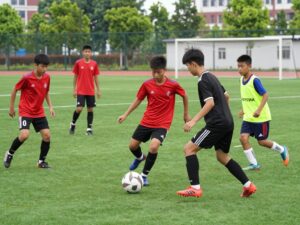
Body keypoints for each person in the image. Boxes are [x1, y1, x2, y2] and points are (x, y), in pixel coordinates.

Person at [176, 49, 256, 198]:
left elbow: (210, 103)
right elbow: (226, 96)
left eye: (187, 66)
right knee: (222, 156)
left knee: (188, 149)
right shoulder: (212, 76)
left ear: (193, 64)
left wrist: (193, 121)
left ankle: (195, 187)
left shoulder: (202, 81)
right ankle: (248, 185)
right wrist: (223, 113)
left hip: (217, 124)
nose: (188, 69)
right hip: (227, 122)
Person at [117, 56, 190, 186]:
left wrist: (186, 114)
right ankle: (140, 158)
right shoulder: (147, 84)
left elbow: (184, 95)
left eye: (159, 72)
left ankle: (144, 176)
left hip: (163, 123)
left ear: (164, 70)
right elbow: (138, 100)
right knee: (132, 146)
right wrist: (125, 114)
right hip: (147, 121)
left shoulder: (173, 85)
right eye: (153, 72)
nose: (156, 75)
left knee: (154, 146)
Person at [237, 55, 289, 171]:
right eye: (238, 66)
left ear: (249, 66)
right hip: (248, 117)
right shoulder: (241, 80)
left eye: (242, 66)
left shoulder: (255, 80)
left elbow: (265, 95)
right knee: (243, 138)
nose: (239, 69)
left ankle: (282, 149)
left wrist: (259, 110)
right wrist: (243, 109)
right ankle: (254, 164)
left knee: (262, 142)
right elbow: (247, 97)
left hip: (261, 118)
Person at [3, 54, 55, 169]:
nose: (45, 69)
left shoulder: (47, 77)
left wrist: (50, 106)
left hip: (39, 112)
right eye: (42, 66)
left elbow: (46, 92)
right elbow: (15, 89)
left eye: (46, 67)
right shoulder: (27, 77)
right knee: (24, 135)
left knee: (47, 136)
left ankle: (41, 162)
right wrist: (11, 107)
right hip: (26, 111)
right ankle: (10, 153)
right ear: (35, 65)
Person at [69, 45, 101, 135]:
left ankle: (89, 129)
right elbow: (75, 76)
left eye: (89, 51)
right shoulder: (78, 63)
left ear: (91, 53)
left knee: (90, 109)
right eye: (85, 51)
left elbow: (96, 77)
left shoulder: (94, 64)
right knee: (79, 109)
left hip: (90, 91)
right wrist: (74, 89)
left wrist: (98, 90)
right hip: (80, 91)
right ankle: (73, 123)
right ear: (82, 53)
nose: (87, 53)